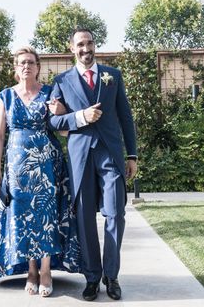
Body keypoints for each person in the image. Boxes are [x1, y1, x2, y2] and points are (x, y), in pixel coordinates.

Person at [48, 28, 137, 301]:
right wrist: (79, 117)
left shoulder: (113, 76)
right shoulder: (61, 81)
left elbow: (125, 115)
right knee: (84, 218)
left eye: (89, 43)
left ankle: (112, 275)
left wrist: (131, 155)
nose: (86, 49)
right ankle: (91, 277)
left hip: (110, 154)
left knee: (115, 214)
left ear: (95, 46)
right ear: (72, 48)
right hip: (80, 157)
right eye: (80, 44)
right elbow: (52, 122)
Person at [0, 46, 81, 297]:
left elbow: (63, 129)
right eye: (21, 63)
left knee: (47, 214)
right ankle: (31, 269)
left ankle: (46, 269)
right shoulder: (5, 95)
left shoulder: (50, 93)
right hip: (17, 168)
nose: (26, 66)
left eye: (30, 62)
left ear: (38, 67)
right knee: (23, 217)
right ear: (15, 69)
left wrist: (62, 112)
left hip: (48, 165)